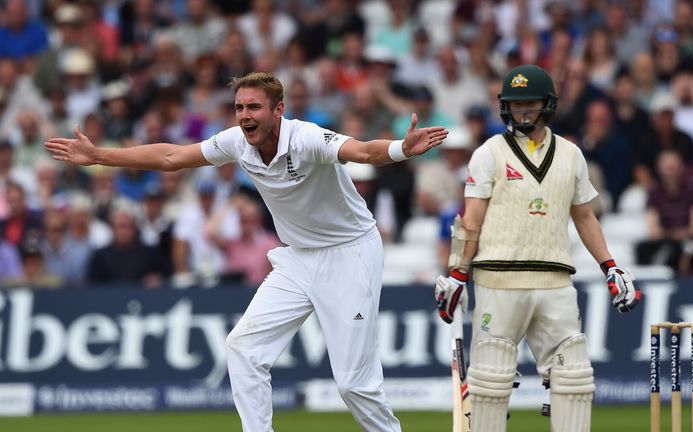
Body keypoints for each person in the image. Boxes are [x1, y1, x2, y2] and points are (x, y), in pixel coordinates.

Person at [45, 71, 447, 432]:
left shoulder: (306, 138)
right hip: (297, 258)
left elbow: (360, 151)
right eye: (239, 107)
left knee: (352, 383)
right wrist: (99, 156)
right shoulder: (236, 142)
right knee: (243, 348)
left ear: (278, 110)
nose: (244, 115)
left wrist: (400, 149)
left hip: (350, 252)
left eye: (253, 106)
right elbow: (172, 157)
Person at [433, 64, 640, 432]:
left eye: (530, 105)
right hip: (498, 280)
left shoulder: (571, 154)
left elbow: (585, 217)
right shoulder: (489, 153)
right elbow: (472, 219)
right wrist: (457, 275)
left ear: (548, 106)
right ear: (505, 108)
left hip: (555, 281)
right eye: (516, 105)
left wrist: (611, 265)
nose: (523, 112)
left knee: (573, 377)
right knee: (490, 381)